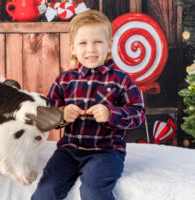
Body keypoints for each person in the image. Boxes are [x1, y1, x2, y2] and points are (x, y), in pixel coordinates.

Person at [31, 10, 145, 200]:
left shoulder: (122, 80)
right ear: (73, 48)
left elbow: (138, 114)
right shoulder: (64, 80)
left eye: (98, 42)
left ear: (109, 45)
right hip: (68, 150)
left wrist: (111, 114)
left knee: (93, 191)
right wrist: (61, 115)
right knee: (46, 189)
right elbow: (46, 116)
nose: (91, 49)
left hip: (106, 152)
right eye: (83, 43)